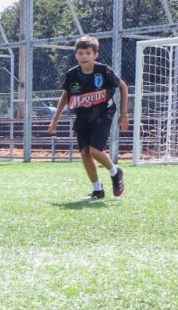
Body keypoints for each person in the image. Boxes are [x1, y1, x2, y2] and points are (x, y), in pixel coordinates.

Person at [48, 35, 129, 200]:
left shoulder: (103, 71)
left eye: (88, 53)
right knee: (85, 154)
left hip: (103, 114)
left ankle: (115, 172)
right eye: (80, 53)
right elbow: (65, 95)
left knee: (94, 151)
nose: (84, 56)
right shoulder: (71, 75)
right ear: (76, 55)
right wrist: (55, 118)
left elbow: (122, 85)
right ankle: (97, 190)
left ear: (95, 55)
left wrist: (124, 113)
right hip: (83, 117)